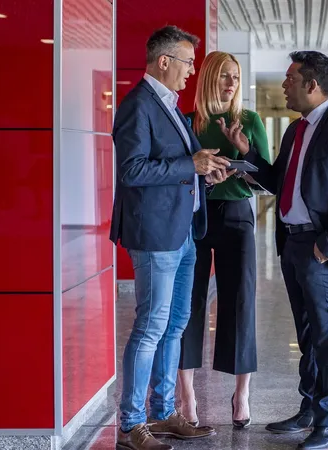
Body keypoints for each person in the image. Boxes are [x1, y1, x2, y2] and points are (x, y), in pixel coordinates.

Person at [221, 50, 328, 450]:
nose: (284, 86)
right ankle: (309, 408)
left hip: (319, 246)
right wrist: (247, 154)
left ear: (312, 84)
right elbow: (278, 181)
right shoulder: (296, 130)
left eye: (290, 79)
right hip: (292, 242)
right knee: (307, 334)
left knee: (327, 336)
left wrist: (326, 246)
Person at [110, 25, 233, 450]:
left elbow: (183, 164)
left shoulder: (170, 107)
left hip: (183, 234)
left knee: (175, 325)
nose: (192, 71)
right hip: (155, 235)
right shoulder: (138, 106)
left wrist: (206, 173)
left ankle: (163, 413)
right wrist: (190, 166)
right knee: (150, 327)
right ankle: (131, 425)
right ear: (164, 61)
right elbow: (132, 170)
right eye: (187, 62)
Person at [176, 50, 269, 430]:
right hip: (194, 216)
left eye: (236, 77)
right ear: (209, 78)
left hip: (237, 216)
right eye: (224, 76)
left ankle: (241, 393)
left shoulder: (249, 120)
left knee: (240, 300)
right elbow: (177, 173)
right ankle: (187, 395)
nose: (231, 83)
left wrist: (242, 153)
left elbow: (266, 178)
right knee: (188, 302)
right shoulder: (187, 122)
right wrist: (202, 176)